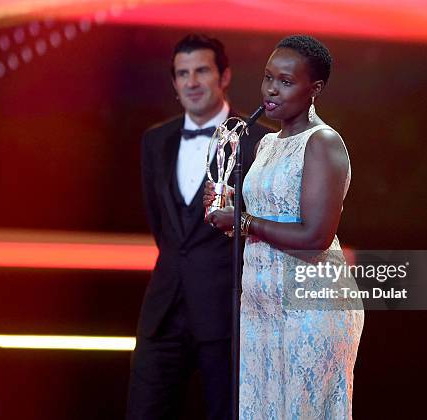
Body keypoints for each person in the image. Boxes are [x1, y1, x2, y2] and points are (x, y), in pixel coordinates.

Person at [205, 35, 365, 419]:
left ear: (316, 89)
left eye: (286, 81)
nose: (271, 90)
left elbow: (314, 238)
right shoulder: (266, 144)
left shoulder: (323, 143)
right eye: (268, 77)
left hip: (311, 310)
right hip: (261, 310)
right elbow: (260, 221)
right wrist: (223, 208)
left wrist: (242, 221)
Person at [126, 34, 270, 420]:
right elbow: (163, 227)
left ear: (224, 76)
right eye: (182, 73)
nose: (191, 82)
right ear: (173, 83)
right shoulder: (155, 140)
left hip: (228, 310)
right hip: (164, 308)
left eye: (201, 71)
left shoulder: (260, 141)